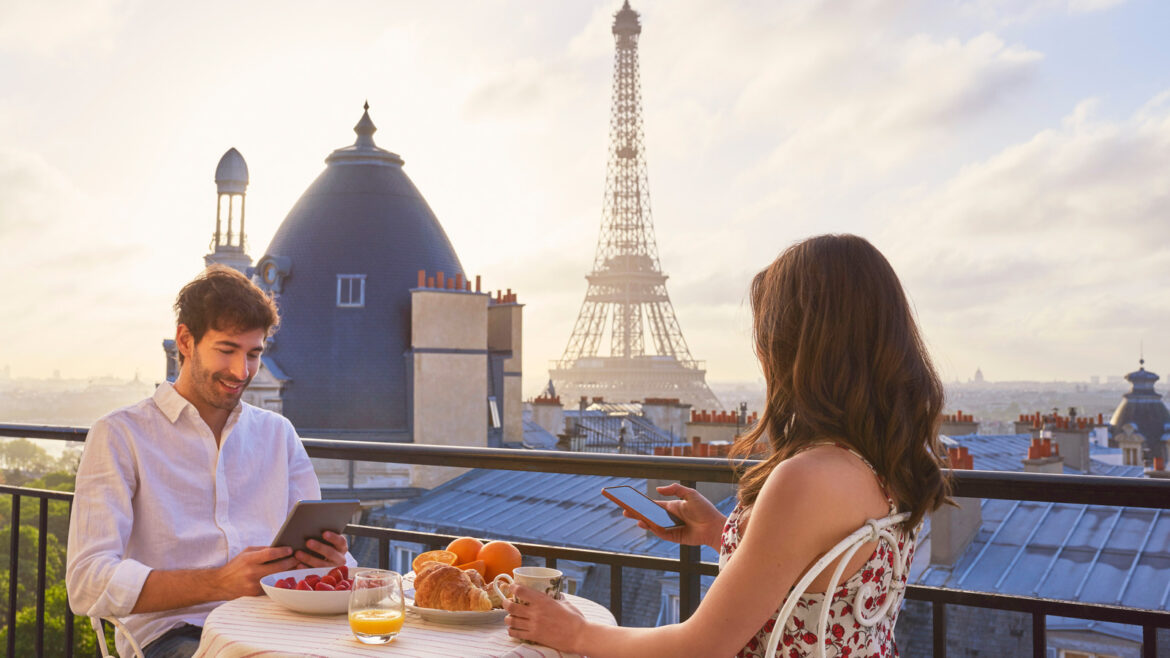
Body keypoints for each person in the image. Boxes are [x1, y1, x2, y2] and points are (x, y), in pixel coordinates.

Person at [504, 234, 951, 657]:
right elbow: (822, 575)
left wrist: (576, 631)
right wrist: (723, 532)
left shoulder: (805, 479)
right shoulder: (891, 461)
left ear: (797, 347)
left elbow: (701, 647)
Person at [66, 265, 352, 658]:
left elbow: (333, 561)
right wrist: (219, 582)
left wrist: (332, 562)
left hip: (277, 623)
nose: (241, 371)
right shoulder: (120, 435)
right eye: (227, 350)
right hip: (174, 635)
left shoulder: (278, 434)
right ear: (185, 340)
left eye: (253, 354)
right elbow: (86, 583)